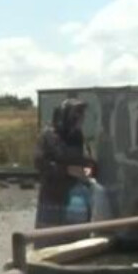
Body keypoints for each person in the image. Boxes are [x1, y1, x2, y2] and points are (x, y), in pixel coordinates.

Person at [33, 98, 98, 230]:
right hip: (53, 195)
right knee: (49, 239)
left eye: (82, 114)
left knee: (75, 240)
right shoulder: (48, 136)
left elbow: (89, 169)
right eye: (77, 114)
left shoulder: (78, 138)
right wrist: (66, 170)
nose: (81, 118)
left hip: (76, 198)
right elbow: (40, 163)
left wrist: (84, 172)